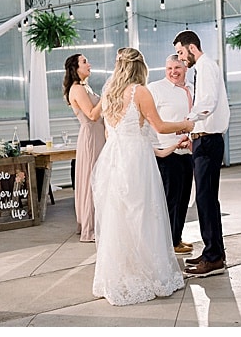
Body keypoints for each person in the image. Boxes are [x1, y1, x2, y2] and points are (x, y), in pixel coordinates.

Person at [90, 47, 192, 306]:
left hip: (115, 158)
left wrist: (170, 147)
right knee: (144, 215)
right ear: (140, 67)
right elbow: (158, 126)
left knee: (120, 217)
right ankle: (147, 273)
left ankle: (120, 274)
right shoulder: (139, 91)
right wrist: (187, 125)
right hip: (136, 162)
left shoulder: (110, 92)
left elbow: (115, 135)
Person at [174, 30, 231, 278]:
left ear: (192, 48)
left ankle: (214, 257)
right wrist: (193, 131)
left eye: (180, 53)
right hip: (202, 139)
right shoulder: (204, 68)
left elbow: (207, 102)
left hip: (208, 142)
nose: (180, 59)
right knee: (206, 200)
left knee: (206, 200)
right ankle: (213, 250)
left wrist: (189, 121)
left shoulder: (206, 67)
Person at [148, 54, 195, 255]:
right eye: (169, 68)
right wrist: (155, 148)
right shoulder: (155, 89)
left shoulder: (192, 88)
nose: (173, 72)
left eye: (177, 67)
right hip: (167, 151)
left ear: (186, 68)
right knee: (170, 199)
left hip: (188, 149)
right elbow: (150, 121)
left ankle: (176, 237)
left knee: (184, 197)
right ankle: (167, 242)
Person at [63, 53, 105, 243]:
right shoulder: (77, 89)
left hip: (98, 135)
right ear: (75, 68)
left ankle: (95, 222)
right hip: (90, 137)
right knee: (91, 180)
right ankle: (89, 228)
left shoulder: (85, 86)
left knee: (97, 180)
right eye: (84, 61)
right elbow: (92, 115)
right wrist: (106, 97)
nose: (89, 64)